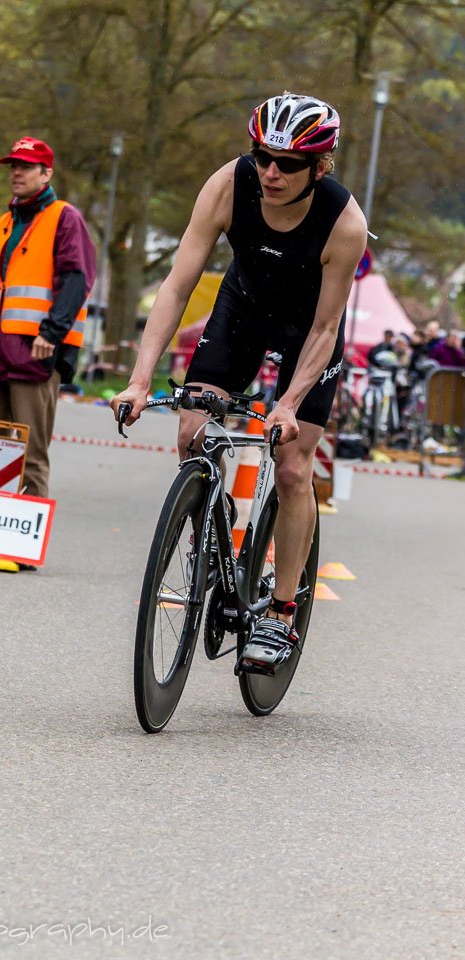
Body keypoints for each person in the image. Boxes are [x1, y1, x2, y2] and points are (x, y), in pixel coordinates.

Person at [111, 93, 366, 672]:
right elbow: (176, 285)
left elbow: (327, 326)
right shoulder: (228, 184)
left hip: (309, 328)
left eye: (288, 164)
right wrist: (139, 378)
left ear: (318, 167)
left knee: (295, 464)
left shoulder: (345, 223)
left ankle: (279, 614)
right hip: (244, 306)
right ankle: (213, 526)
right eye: (262, 156)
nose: (271, 172)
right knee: (194, 431)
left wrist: (289, 403)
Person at [0, 135, 96, 505]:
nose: (16, 173)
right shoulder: (1, 224)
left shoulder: (64, 218)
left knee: (29, 453)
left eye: (25, 167)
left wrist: (51, 332)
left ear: (45, 173)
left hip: (34, 355)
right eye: (12, 166)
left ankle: (20, 542)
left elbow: (76, 278)